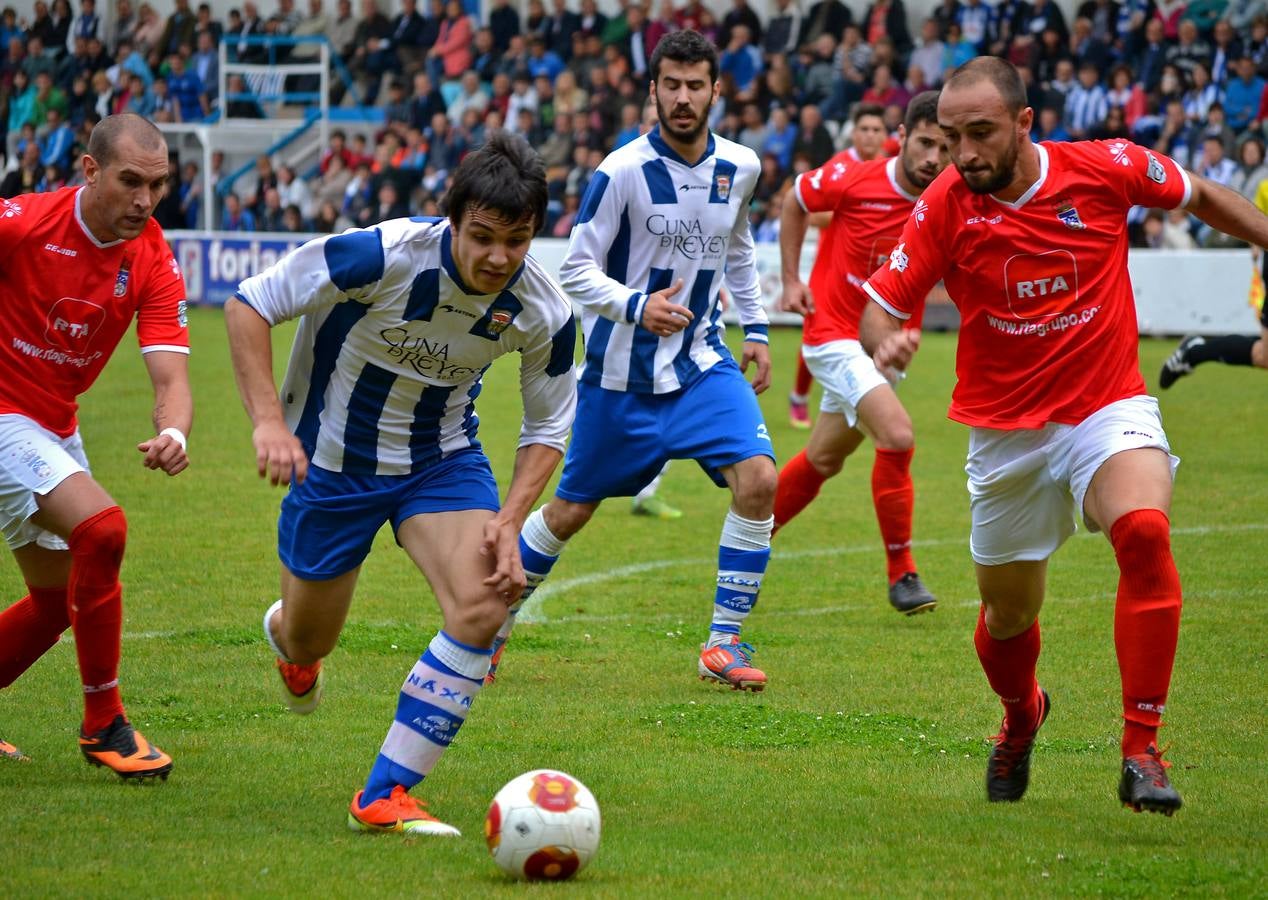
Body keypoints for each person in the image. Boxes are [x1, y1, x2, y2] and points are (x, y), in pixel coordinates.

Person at [861, 57, 1268, 815]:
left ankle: (1142, 750)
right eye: (951, 138)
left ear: (1024, 124)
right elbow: (882, 303)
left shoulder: (1105, 167)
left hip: (1105, 406)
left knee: (1144, 531)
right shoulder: (948, 201)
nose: (963, 154)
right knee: (1007, 618)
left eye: (980, 134)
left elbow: (1202, 193)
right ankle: (1022, 717)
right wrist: (884, 340)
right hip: (1007, 437)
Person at [223, 131, 577, 836]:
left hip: (441, 462)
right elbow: (249, 303)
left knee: (483, 607)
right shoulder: (377, 255)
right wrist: (268, 422)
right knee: (308, 641)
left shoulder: (546, 311)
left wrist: (508, 518)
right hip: (333, 464)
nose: (499, 257)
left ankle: (384, 793)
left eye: (519, 239)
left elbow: (547, 429)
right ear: (453, 220)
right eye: (483, 236)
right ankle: (290, 638)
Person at [487, 30, 776, 691]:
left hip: (702, 363)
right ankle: (491, 624)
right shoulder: (618, 174)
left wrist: (755, 326)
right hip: (618, 379)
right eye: (669, 85)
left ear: (715, 91)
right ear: (652, 91)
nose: (682, 98)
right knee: (568, 514)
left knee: (759, 479)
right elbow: (576, 270)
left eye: (694, 85)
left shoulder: (742, 166)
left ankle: (723, 644)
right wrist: (635, 306)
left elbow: (737, 247)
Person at [0, 113, 190, 778]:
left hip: (54, 422)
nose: (145, 200)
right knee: (103, 530)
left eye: (158, 185)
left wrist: (174, 430)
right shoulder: (23, 224)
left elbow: (172, 374)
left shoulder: (153, 253)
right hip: (2, 415)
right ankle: (104, 724)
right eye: (130, 182)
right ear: (90, 171)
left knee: (54, 603)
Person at [776, 91, 948, 615]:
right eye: (924, 143)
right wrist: (790, 279)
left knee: (823, 458)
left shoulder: (949, 197)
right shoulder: (855, 178)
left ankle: (747, 536)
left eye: (945, 147)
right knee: (897, 435)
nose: (933, 159)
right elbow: (794, 201)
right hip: (832, 333)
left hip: (886, 349)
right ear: (902, 137)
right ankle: (903, 575)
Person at [787, 103, 892, 431]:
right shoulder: (841, 166)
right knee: (819, 328)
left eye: (877, 130)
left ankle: (845, 404)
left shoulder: (892, 168)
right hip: (832, 263)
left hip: (874, 266)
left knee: (863, 335)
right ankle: (799, 397)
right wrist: (857, 214)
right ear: (853, 134)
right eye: (865, 129)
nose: (871, 136)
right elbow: (813, 213)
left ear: (886, 136)